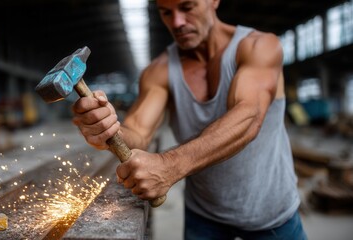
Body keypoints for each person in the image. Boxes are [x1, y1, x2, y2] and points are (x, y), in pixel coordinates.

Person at [72, 0, 307, 239]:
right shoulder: (159, 70)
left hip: (271, 215)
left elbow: (249, 116)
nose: (177, 22)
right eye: (166, 12)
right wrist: (108, 128)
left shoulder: (259, 46)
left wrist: (170, 166)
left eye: (187, 7)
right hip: (204, 215)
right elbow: (138, 131)